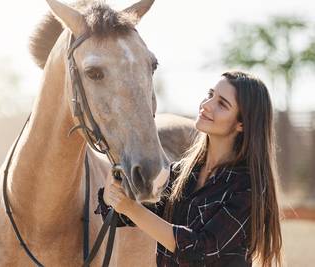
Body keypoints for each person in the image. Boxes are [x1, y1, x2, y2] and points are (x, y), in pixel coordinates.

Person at [96, 71, 283, 267]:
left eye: (222, 104)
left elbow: (199, 250)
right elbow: (134, 217)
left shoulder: (248, 187)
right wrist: (114, 194)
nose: (206, 105)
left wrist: (131, 208)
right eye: (210, 95)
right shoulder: (182, 172)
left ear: (242, 124)